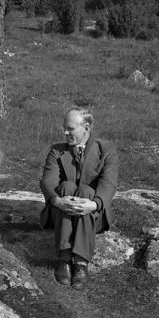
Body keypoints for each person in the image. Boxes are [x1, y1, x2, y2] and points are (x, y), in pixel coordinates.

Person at [39, 107, 119, 289]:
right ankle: (65, 258)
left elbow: (109, 182)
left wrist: (95, 204)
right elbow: (47, 181)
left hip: (93, 214)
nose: (65, 132)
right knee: (66, 186)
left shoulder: (106, 150)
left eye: (70, 128)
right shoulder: (57, 151)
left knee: (86, 191)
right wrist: (57, 200)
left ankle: (81, 262)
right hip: (60, 210)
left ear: (86, 127)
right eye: (64, 128)